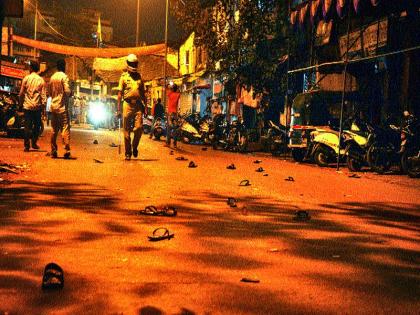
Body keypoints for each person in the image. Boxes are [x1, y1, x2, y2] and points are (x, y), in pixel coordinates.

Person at [117, 54, 147, 160]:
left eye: (135, 63)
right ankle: (128, 152)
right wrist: (118, 110)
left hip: (138, 105)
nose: (133, 65)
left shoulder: (139, 77)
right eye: (132, 63)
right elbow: (120, 94)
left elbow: (143, 93)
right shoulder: (123, 77)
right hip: (127, 104)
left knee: (138, 129)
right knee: (126, 132)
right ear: (128, 64)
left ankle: (134, 147)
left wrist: (146, 107)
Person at [19, 60, 47, 152]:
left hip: (27, 106)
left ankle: (26, 146)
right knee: (37, 126)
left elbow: (21, 93)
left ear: (31, 68)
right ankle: (34, 142)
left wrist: (20, 105)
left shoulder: (26, 78)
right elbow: (43, 96)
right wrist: (43, 108)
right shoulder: (41, 80)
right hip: (37, 107)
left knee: (27, 126)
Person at [48, 59, 72, 159]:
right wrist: (70, 93)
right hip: (62, 107)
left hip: (54, 107)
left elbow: (49, 92)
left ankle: (53, 151)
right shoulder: (64, 77)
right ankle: (66, 150)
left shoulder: (52, 77)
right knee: (65, 128)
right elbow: (67, 91)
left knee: (54, 129)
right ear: (64, 66)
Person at [165, 83, 180, 148]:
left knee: (169, 128)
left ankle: (168, 143)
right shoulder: (178, 95)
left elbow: (166, 88)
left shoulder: (169, 94)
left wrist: (169, 86)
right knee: (175, 129)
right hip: (175, 114)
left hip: (170, 113)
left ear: (172, 89)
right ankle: (175, 144)